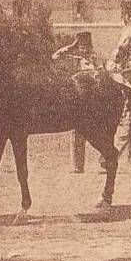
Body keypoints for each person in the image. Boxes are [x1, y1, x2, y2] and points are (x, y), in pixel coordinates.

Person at [51, 31, 97, 173]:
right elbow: (54, 57)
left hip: (96, 102)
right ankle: (78, 166)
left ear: (91, 48)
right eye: (81, 47)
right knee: (77, 134)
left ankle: (105, 162)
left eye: (86, 47)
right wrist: (70, 47)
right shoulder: (73, 59)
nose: (84, 50)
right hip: (80, 102)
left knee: (103, 133)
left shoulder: (97, 61)